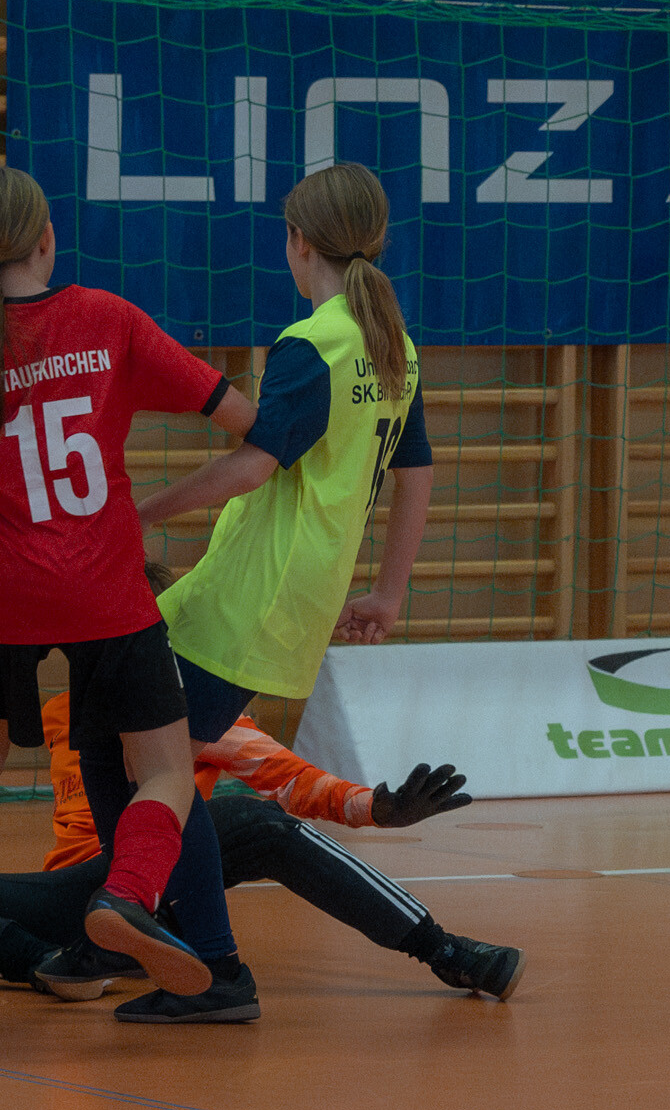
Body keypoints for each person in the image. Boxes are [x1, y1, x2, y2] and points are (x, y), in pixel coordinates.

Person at [0, 164, 260, 1017]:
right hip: (108, 590)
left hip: (8, 599)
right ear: (47, 237)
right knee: (165, 770)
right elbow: (240, 418)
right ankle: (127, 896)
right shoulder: (109, 318)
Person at [133, 163, 520, 1005]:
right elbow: (416, 474)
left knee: (152, 769)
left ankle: (206, 963)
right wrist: (389, 593)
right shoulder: (393, 346)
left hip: (243, 599)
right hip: (291, 606)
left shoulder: (313, 344)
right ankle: (163, 930)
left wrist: (143, 510)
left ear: (298, 241)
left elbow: (251, 466)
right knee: (153, 762)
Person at [0, 690, 525, 1005]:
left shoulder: (193, 713)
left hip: (151, 883)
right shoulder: (62, 710)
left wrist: (373, 808)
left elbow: (293, 782)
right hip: (75, 894)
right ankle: (57, 965)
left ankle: (443, 949)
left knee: (251, 820)